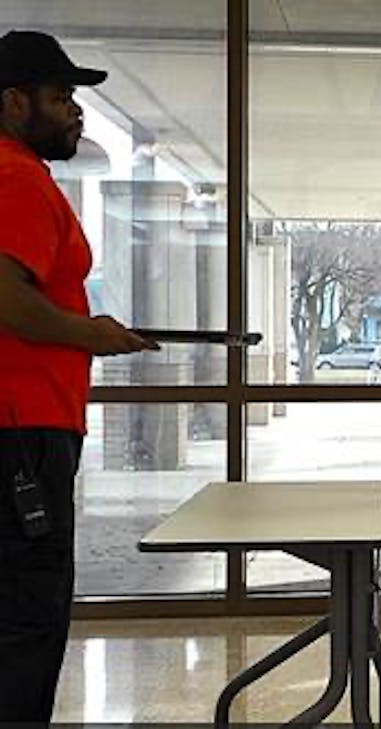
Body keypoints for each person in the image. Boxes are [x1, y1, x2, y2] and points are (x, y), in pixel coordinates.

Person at [0, 30, 159, 722]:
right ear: (13, 102)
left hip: (27, 429)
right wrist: (91, 336)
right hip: (21, 434)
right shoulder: (15, 177)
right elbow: (8, 300)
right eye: (61, 96)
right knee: (27, 619)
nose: (76, 112)